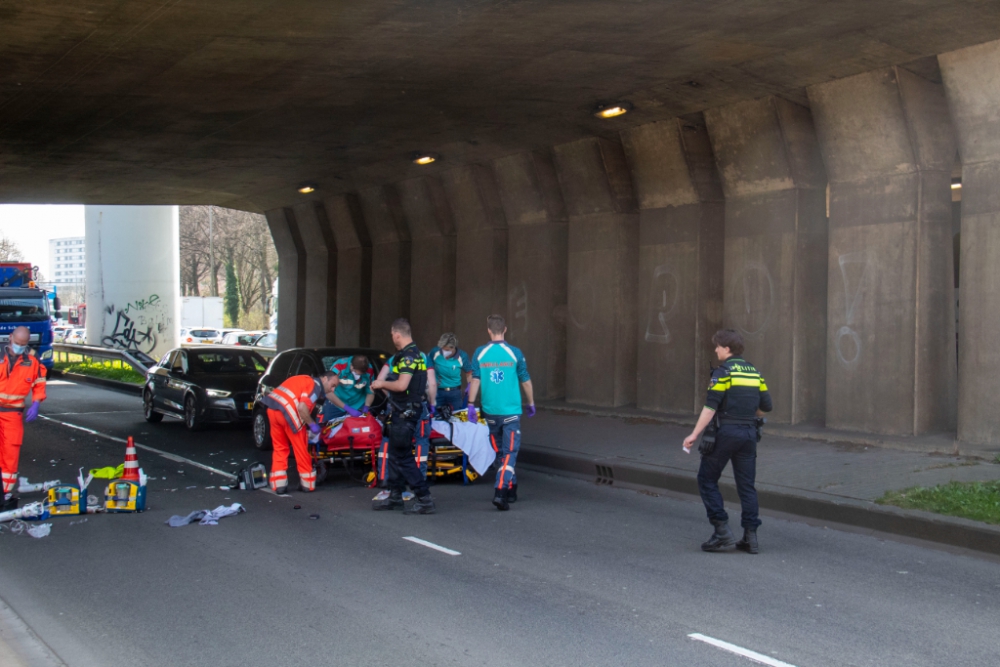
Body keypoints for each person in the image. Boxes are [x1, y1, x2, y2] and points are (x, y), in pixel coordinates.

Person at [683, 329, 772, 554]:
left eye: (717, 346)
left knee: (706, 479)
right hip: (749, 434)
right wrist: (748, 416)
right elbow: (766, 407)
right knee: (746, 486)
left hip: (724, 434)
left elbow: (710, 406)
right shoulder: (754, 372)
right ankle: (750, 538)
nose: (715, 349)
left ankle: (722, 532)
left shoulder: (723, 373)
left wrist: (694, 434)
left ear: (727, 349)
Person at [467, 315, 535, 512]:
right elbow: (525, 380)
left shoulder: (480, 353)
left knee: (500, 453)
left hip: (490, 413)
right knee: (510, 453)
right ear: (505, 329)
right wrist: (531, 402)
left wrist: (471, 404)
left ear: (489, 330)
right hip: (511, 412)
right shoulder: (515, 353)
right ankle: (501, 490)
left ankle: (512, 489)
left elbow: (475, 380)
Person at [370, 319, 435, 514]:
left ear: (397, 334)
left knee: (403, 456)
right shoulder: (409, 355)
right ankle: (395, 496)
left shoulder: (409, 357)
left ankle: (424, 498)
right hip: (401, 411)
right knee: (395, 456)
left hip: (406, 412)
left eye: (392, 334)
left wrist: (381, 385)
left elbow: (401, 385)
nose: (392, 338)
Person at [262, 371, 339, 494]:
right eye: (333, 385)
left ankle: (279, 485)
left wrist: (345, 407)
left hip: (273, 409)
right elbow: (302, 408)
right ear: (324, 379)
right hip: (288, 413)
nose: (333, 389)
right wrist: (312, 425)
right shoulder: (315, 386)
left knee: (280, 448)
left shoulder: (304, 379)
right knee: (301, 449)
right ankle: (307, 484)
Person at [0, 327, 47, 508]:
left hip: (13, 414)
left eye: (23, 345)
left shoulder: (32, 359)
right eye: (17, 343)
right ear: (10, 337)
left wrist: (36, 402)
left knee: (10, 454)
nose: (19, 347)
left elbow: (39, 382)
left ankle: (5, 493)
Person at [320, 355, 375, 422]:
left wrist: (367, 406)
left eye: (360, 375)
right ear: (351, 366)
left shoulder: (369, 370)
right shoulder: (339, 367)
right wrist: (347, 408)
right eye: (356, 373)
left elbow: (370, 391)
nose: (358, 377)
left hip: (358, 404)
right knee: (327, 427)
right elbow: (327, 391)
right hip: (336, 403)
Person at [428, 333, 472, 412]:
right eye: (443, 349)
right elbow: (428, 369)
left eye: (447, 350)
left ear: (454, 348)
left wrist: (469, 387)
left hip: (455, 393)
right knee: (436, 419)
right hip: (438, 392)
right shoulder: (434, 352)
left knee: (456, 418)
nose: (444, 352)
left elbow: (469, 372)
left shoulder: (462, 356)